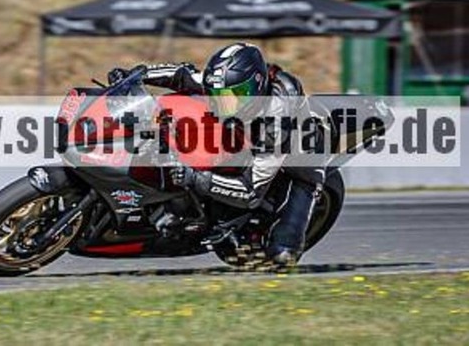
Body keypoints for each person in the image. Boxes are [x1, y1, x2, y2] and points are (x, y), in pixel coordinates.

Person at [108, 43, 324, 266]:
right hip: (248, 136)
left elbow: (251, 192)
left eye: (235, 97)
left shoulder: (275, 123)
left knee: (282, 256)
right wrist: (134, 76)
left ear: (256, 85)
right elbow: (182, 74)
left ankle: (289, 238)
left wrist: (195, 177)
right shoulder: (226, 83)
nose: (226, 105)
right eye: (219, 97)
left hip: (300, 156)